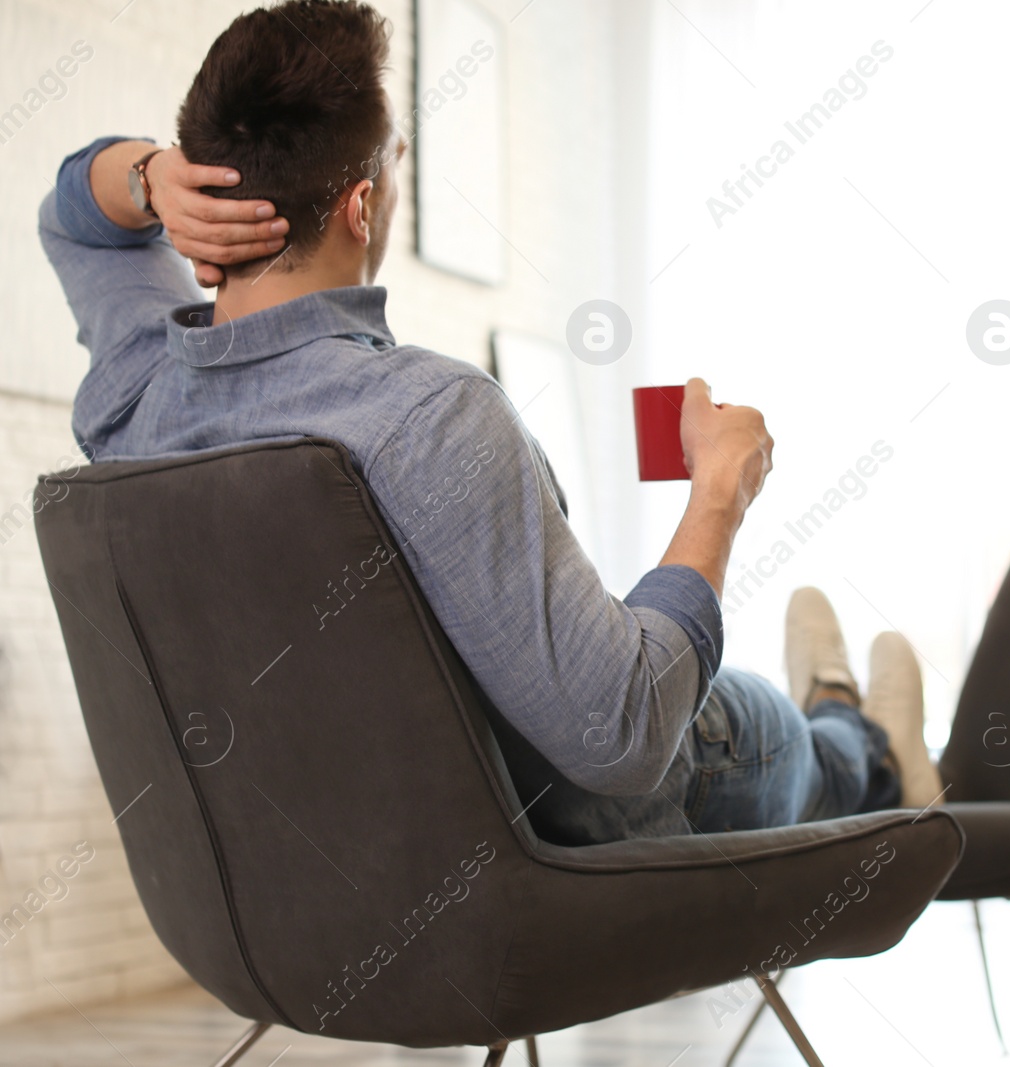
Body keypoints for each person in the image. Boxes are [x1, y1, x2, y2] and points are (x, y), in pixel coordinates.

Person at [37, 0, 943, 845]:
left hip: (286, 885)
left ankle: (845, 718)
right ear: (361, 205)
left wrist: (146, 176)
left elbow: (75, 221)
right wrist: (720, 491)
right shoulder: (430, 418)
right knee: (735, 723)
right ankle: (863, 749)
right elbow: (620, 738)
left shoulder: (137, 396)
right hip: (536, 853)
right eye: (395, 165)